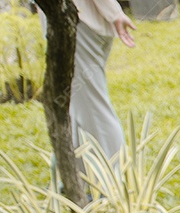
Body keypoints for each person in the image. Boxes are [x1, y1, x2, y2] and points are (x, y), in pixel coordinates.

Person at [48, 0, 136, 160]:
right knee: (75, 109)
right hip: (79, 23)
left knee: (94, 111)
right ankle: (75, 177)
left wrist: (114, 12)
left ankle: (111, 178)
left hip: (79, 24)